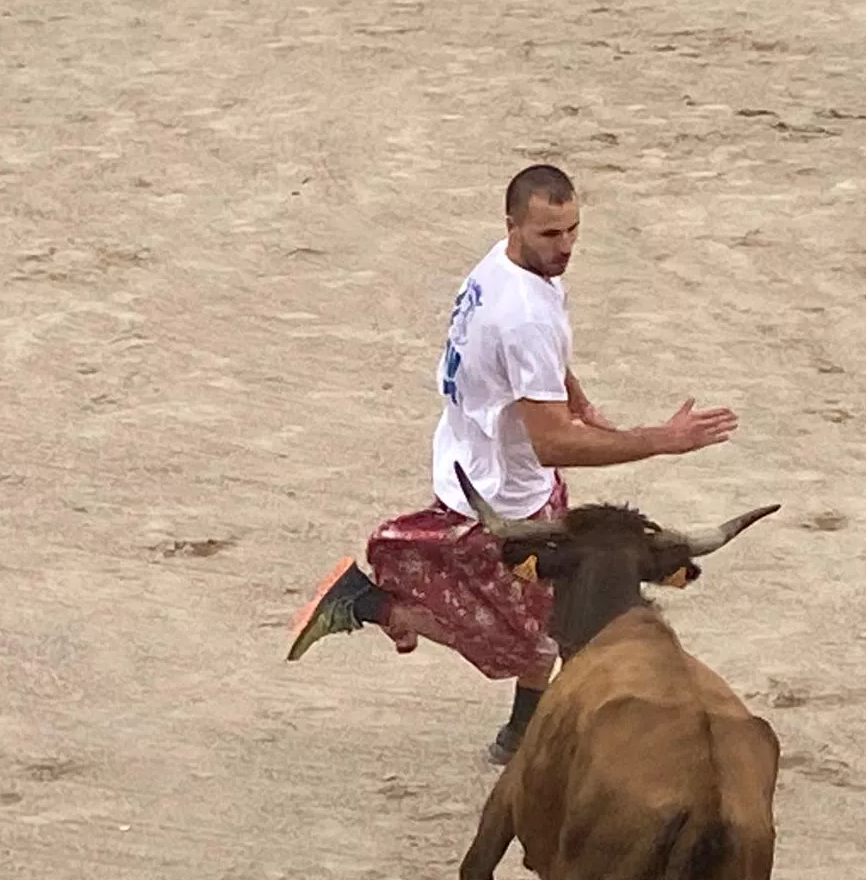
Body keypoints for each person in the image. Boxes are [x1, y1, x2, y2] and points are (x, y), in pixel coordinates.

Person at [285, 164, 739, 765]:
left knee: (554, 613)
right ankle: (367, 602)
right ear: (513, 224)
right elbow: (553, 444)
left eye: (573, 230)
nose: (566, 246)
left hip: (488, 462)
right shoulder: (524, 315)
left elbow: (539, 362)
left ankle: (521, 732)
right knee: (531, 643)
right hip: (503, 495)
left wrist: (576, 399)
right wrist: (661, 440)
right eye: (550, 234)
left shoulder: (503, 266)